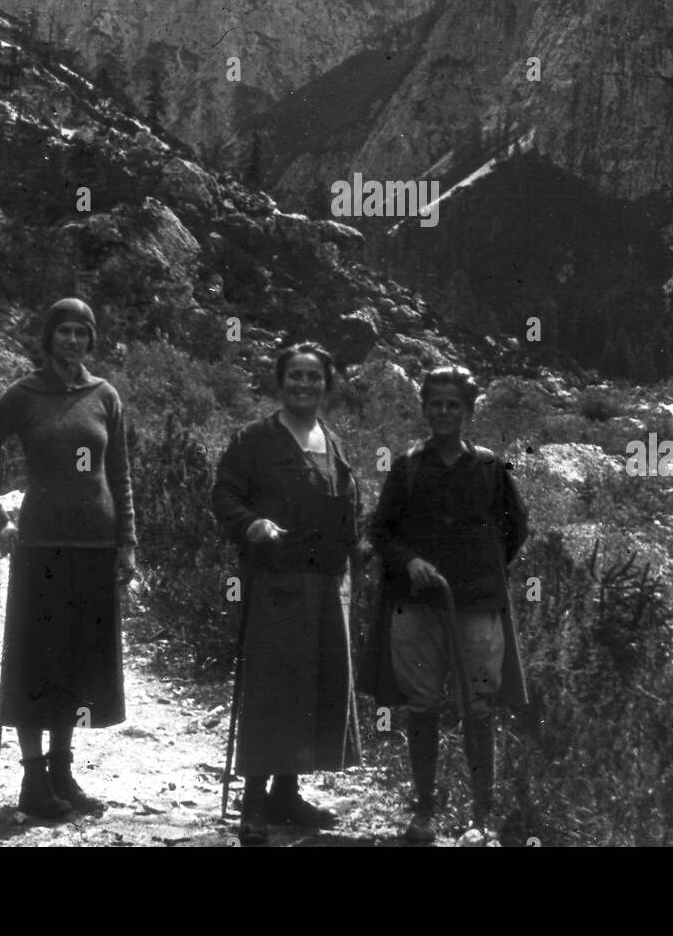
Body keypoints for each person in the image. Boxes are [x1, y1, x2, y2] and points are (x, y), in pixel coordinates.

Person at [0, 298, 136, 819]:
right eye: (64, 332)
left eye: (83, 333)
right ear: (48, 338)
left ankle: (63, 772)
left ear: (92, 340)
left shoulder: (105, 395)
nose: (73, 341)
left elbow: (121, 476)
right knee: (37, 663)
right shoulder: (23, 395)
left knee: (76, 664)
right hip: (40, 550)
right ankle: (33, 782)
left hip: (96, 549)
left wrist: (128, 543)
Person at [365, 365, 528, 845]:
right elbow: (380, 530)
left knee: (479, 705)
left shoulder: (491, 467)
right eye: (435, 403)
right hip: (416, 606)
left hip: (477, 606)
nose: (443, 411)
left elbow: (515, 529)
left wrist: (482, 570)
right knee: (423, 704)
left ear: (468, 411)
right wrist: (409, 561)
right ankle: (425, 812)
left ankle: (482, 817)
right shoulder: (407, 466)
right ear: (424, 408)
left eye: (453, 404)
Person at [211, 340, 361, 846]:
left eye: (313, 377)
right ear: (281, 382)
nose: (303, 384)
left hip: (325, 583)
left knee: (312, 686)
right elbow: (224, 493)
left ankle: (287, 794)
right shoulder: (253, 439)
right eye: (295, 375)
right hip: (275, 580)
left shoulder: (332, 442)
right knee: (273, 687)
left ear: (326, 384)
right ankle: (253, 801)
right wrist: (251, 525)